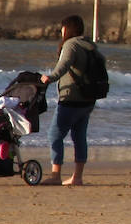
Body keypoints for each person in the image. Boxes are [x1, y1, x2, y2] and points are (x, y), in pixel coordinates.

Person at [40, 14, 100, 186]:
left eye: (62, 28)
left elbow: (64, 65)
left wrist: (49, 78)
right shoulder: (90, 44)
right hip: (88, 99)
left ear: (67, 28)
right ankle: (77, 177)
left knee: (54, 135)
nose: (61, 31)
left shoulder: (71, 44)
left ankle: (56, 175)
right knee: (79, 136)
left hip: (71, 98)